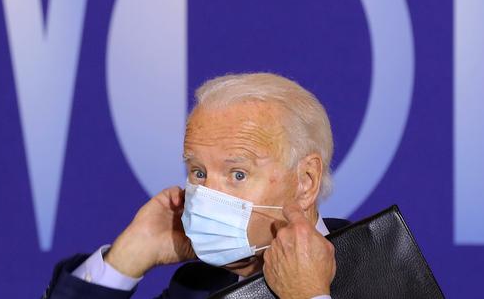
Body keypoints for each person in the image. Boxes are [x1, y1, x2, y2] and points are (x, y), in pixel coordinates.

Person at [43, 73, 348, 299]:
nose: (207, 195)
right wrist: (128, 256)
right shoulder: (192, 288)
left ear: (305, 181)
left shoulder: (387, 263)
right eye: (199, 173)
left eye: (237, 174)